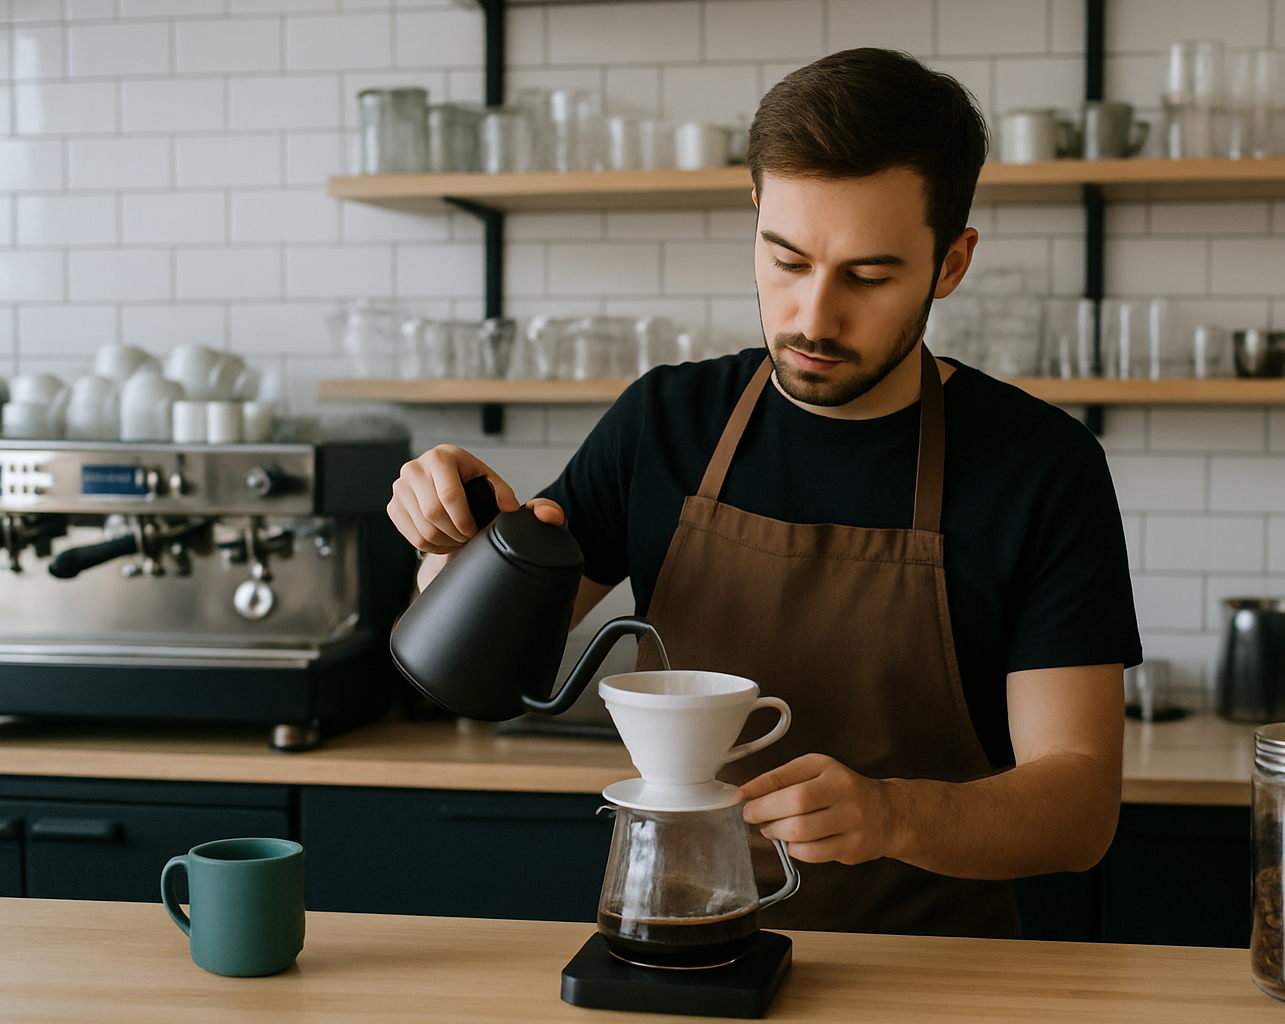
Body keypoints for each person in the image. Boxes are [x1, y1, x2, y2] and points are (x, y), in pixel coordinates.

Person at [388, 48, 1141, 938]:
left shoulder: (1041, 467)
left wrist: (895, 816)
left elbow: (1079, 806)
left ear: (951, 263)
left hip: (935, 972)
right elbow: (468, 676)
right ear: (755, 215)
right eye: (787, 260)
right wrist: (445, 544)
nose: (814, 318)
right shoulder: (665, 422)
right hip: (673, 938)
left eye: (868, 276)